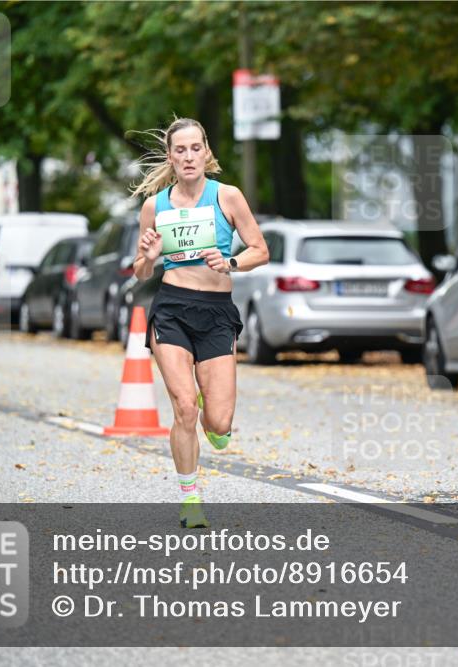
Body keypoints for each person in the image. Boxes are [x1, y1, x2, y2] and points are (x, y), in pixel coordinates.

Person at [129, 117, 269, 528]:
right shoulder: (155, 206)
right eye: (180, 150)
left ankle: (212, 408)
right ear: (170, 158)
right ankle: (190, 499)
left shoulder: (227, 197)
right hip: (171, 307)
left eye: (195, 148)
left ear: (206, 152)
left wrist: (230, 262)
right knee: (183, 407)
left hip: (216, 312)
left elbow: (260, 250)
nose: (189, 157)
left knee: (219, 424)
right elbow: (139, 272)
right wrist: (149, 257)